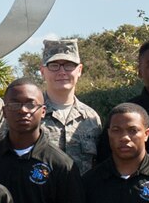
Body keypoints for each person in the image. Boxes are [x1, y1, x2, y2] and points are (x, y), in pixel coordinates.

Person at [37, 37, 102, 169]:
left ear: (79, 70)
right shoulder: (31, 114)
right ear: (43, 71)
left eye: (69, 65)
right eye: (54, 66)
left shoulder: (91, 119)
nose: (62, 72)